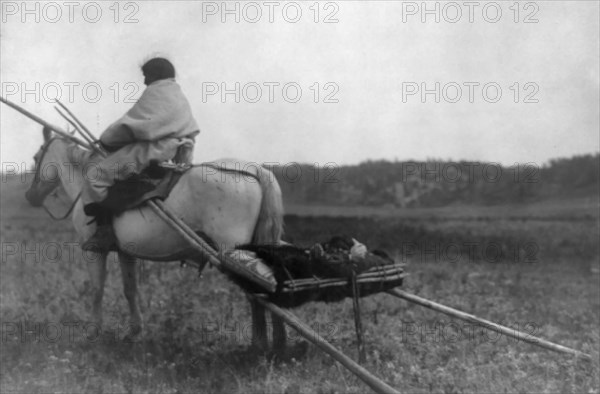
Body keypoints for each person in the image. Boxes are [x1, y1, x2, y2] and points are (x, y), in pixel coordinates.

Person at [81, 57, 200, 251]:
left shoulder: (156, 92)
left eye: (146, 76)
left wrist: (106, 140)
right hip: (178, 153)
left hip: (156, 150)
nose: (145, 81)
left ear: (155, 74)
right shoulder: (177, 94)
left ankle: (105, 231)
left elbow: (133, 125)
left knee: (96, 176)